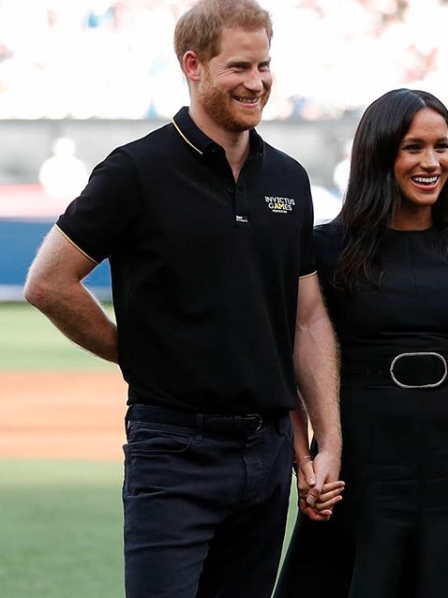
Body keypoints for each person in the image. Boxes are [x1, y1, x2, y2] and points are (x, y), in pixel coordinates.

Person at [23, 1, 342, 596]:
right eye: (239, 67)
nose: (256, 83)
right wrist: (133, 353)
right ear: (193, 66)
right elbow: (48, 281)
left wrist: (330, 440)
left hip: (269, 453)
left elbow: (309, 316)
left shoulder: (290, 180)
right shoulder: (136, 170)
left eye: (265, 66)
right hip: (173, 450)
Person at [275, 88, 448, 598]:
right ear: (379, 154)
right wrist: (303, 461)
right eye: (413, 147)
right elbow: (289, 368)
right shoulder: (323, 249)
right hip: (361, 458)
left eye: (442, 146)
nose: (431, 162)